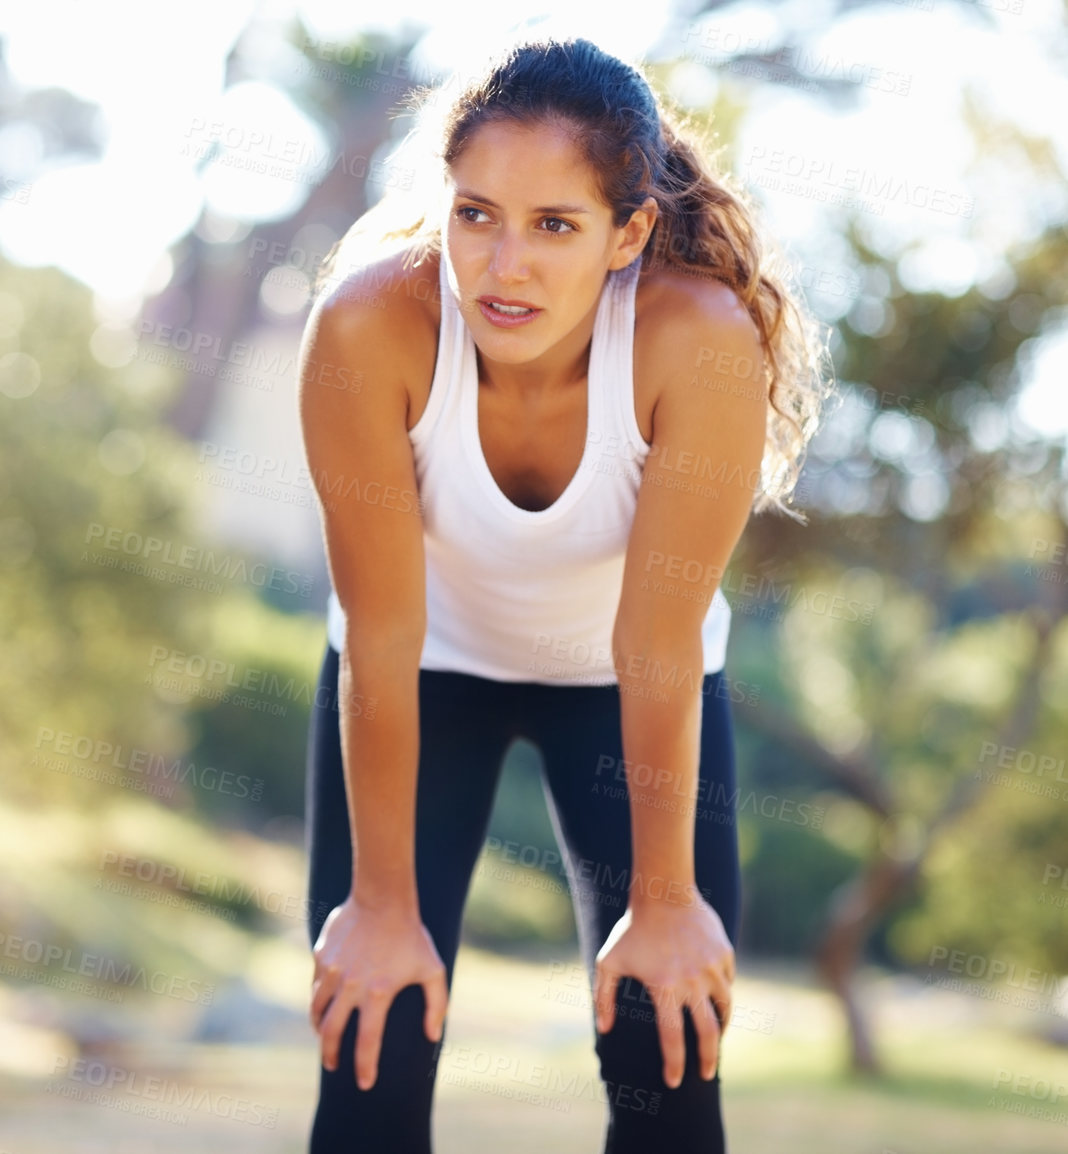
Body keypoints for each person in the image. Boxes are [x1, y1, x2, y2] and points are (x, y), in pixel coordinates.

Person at [296, 36, 834, 1153]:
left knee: (666, 1054)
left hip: (624, 686)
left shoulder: (697, 342)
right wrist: (383, 904)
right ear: (441, 204)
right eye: (476, 213)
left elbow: (655, 642)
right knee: (371, 1045)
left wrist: (669, 900)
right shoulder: (366, 327)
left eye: (555, 225)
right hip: (418, 674)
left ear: (626, 234)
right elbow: (383, 635)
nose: (504, 266)